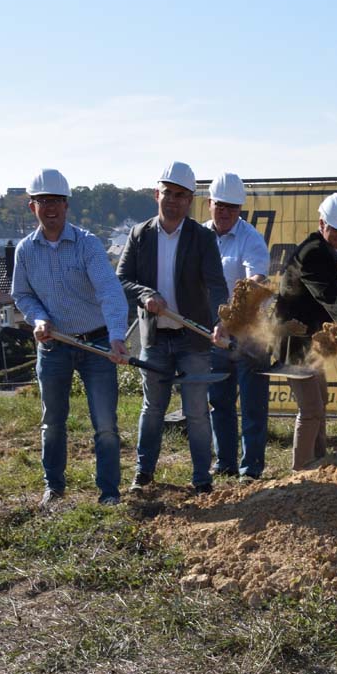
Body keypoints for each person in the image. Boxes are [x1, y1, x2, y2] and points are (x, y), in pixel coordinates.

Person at [10, 169, 130, 507]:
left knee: (105, 423)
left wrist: (118, 337)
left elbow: (109, 291)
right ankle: (55, 487)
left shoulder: (87, 244)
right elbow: (22, 295)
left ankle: (108, 493)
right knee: (53, 422)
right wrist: (39, 318)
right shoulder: (25, 251)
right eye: (43, 201)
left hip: (96, 344)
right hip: (54, 346)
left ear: (67, 206)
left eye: (57, 201)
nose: (51, 208)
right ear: (31, 206)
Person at [118, 161, 228, 494]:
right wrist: (145, 295)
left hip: (192, 338)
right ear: (157, 194)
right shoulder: (140, 234)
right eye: (168, 193)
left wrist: (221, 319)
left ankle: (201, 479)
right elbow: (123, 279)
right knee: (153, 409)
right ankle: (143, 473)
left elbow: (217, 284)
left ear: (190, 200)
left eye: (181, 195)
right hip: (155, 338)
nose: (174, 200)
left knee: (196, 411)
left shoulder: (202, 237)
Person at [276, 193, 337, 469]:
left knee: (321, 401)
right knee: (310, 409)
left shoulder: (324, 248)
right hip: (294, 345)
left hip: (309, 342)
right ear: (322, 223)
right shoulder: (315, 253)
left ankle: (320, 463)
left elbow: (329, 290)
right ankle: (300, 472)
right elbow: (329, 295)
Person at [203, 172, 271, 481]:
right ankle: (226, 463)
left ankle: (251, 468)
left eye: (232, 207)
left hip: (250, 334)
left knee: (253, 403)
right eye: (220, 205)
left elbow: (254, 281)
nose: (226, 212)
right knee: (219, 401)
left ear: (240, 209)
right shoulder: (198, 237)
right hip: (215, 333)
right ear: (209, 204)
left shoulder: (250, 239)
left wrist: (230, 319)